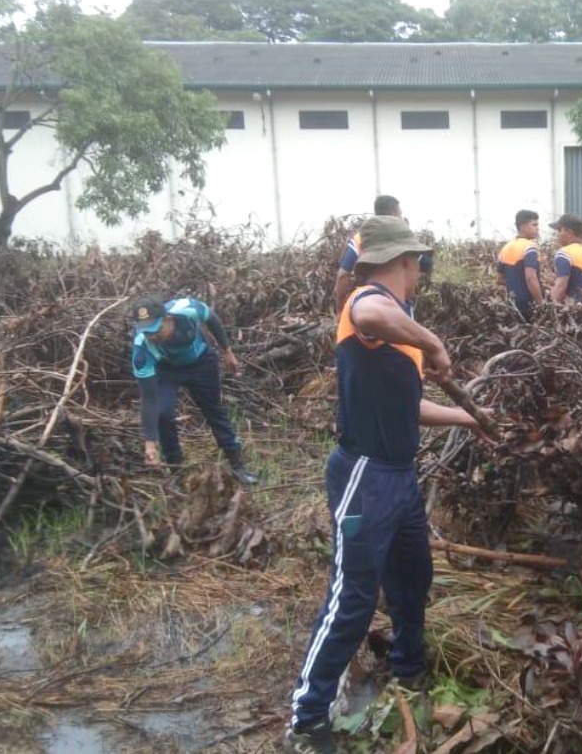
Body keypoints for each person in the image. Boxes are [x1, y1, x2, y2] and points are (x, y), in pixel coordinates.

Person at [286, 216, 487, 753]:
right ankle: (307, 719)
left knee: (412, 576)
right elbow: (367, 310)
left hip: (400, 478)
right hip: (364, 475)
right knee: (352, 598)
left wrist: (471, 419)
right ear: (406, 262)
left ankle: (409, 669)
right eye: (418, 264)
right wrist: (435, 341)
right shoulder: (367, 304)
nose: (421, 272)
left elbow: (409, 405)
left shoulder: (398, 324)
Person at [131, 295, 258, 486]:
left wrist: (227, 352)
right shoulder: (141, 349)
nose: (152, 337)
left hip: (201, 363)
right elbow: (149, 398)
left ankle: (237, 465)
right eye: (147, 332)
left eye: (156, 330)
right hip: (167, 370)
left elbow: (212, 318)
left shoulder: (187, 309)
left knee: (213, 410)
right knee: (163, 413)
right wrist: (150, 444)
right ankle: (176, 469)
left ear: (168, 319)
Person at [332, 195, 433, 314]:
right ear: (394, 214)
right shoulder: (400, 240)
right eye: (400, 214)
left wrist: (340, 310)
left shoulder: (360, 239)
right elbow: (426, 264)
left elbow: (342, 276)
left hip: (363, 309)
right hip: (394, 306)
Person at [496, 209, 543, 320]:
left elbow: (499, 280)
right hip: (529, 306)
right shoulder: (530, 247)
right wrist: (541, 303)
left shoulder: (505, 248)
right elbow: (530, 278)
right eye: (534, 225)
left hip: (512, 306)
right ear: (523, 227)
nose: (537, 228)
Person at [549, 214, 582, 304]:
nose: (558, 234)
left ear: (570, 233)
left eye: (559, 230)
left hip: (570, 310)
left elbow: (561, 286)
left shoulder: (563, 254)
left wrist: (551, 306)